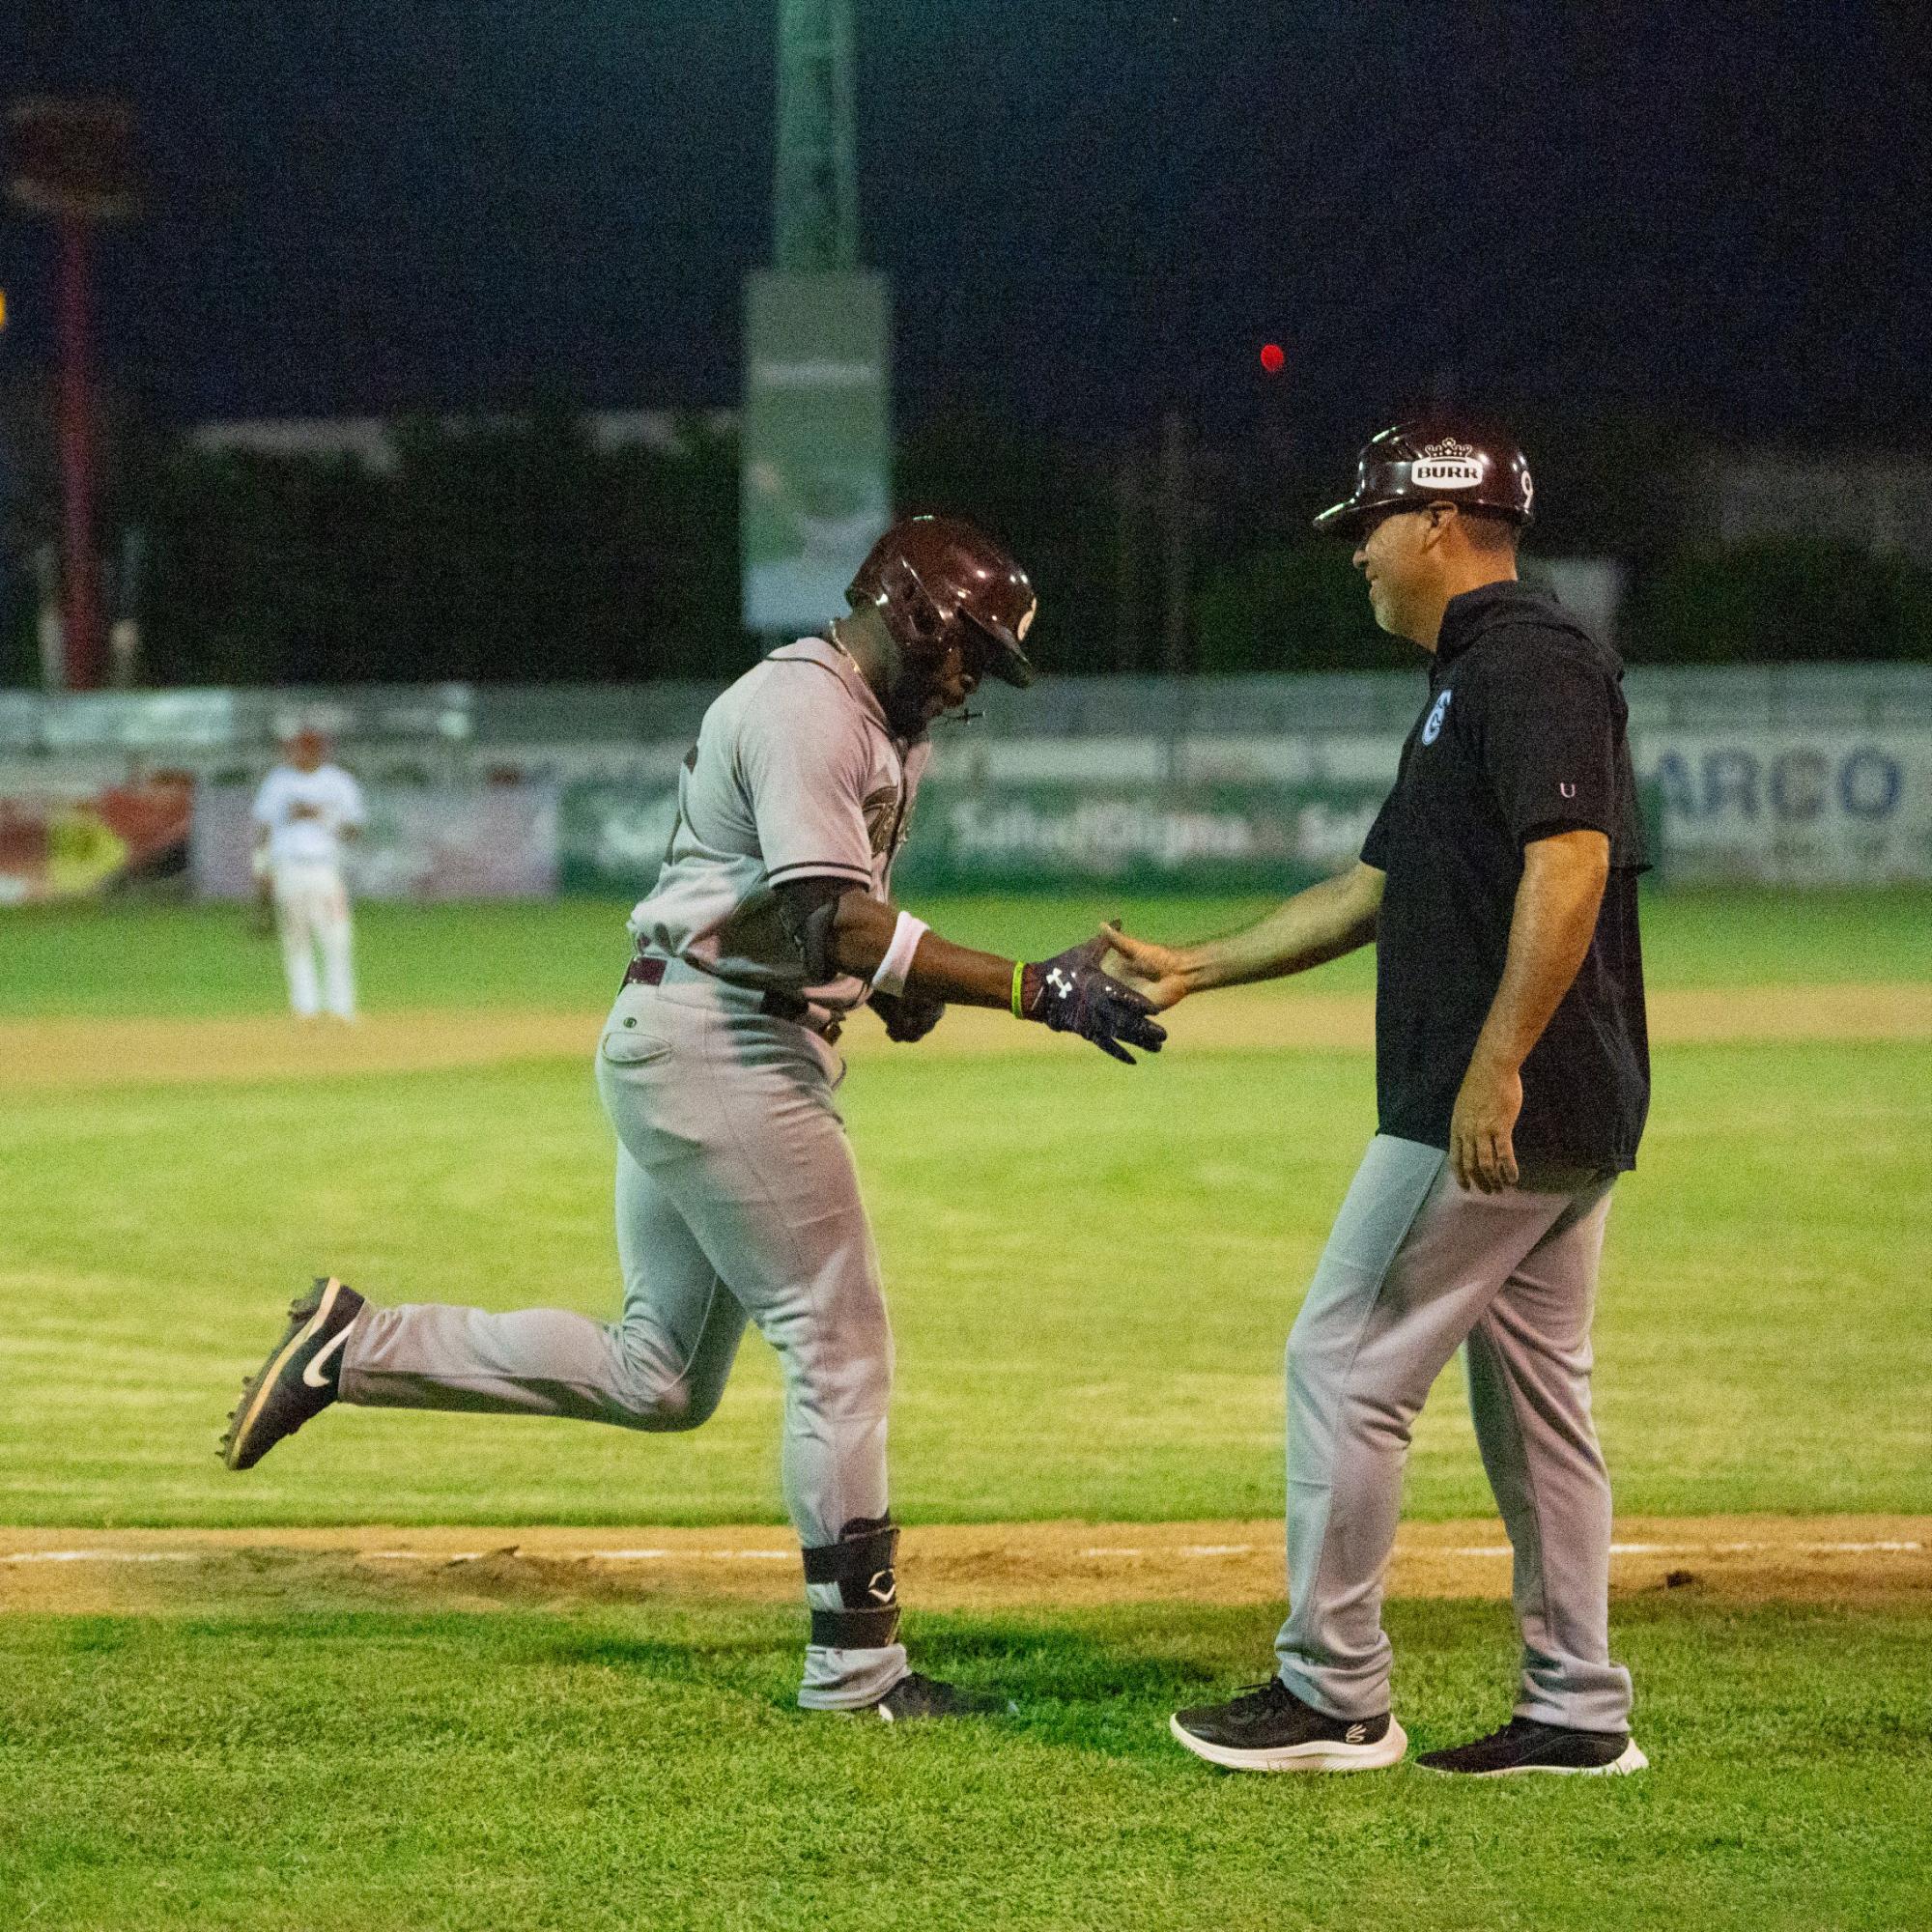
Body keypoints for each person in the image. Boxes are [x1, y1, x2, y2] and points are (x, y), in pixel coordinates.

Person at [219, 515, 1166, 1721]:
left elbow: (842, 927)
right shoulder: (808, 707)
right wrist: (1028, 987)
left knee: (658, 1374)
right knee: (840, 1346)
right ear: (913, 611)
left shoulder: (876, 719)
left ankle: (354, 1345)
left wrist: (902, 991)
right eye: (966, 649)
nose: (970, 678)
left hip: (703, 1026)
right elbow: (834, 918)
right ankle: (856, 1668)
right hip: (723, 1041)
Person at [1111, 420, 1653, 1776]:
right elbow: (1373, 892)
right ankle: (1578, 1709)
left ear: (1434, 524)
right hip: (1558, 1110)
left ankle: (1335, 1692)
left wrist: (1495, 1059)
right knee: (1538, 1412)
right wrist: (1199, 966)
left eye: (1367, 524)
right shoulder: (1469, 680)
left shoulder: (1527, 662)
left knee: (1342, 1367)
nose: (1356, 549)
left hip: (1491, 1109)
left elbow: (1573, 859)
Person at [250, 727, 366, 1022]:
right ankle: (305, 1008)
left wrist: (321, 816)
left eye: (307, 747)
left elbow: (355, 830)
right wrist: (261, 868)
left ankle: (341, 1008)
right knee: (296, 939)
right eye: (296, 748)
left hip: (325, 867)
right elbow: (262, 828)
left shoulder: (338, 782)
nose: (299, 753)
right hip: (288, 867)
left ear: (320, 750)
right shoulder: (278, 781)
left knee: (336, 937)